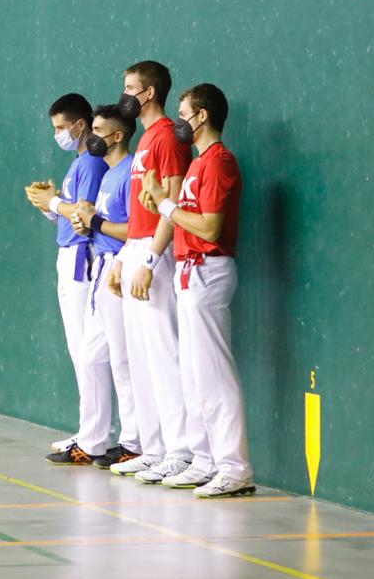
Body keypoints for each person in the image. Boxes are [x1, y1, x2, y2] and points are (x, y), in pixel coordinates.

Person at [139, 83, 254, 498]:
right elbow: (182, 216)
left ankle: (235, 468)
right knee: (192, 375)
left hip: (209, 271)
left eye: (185, 114)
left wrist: (166, 206)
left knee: (213, 374)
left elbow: (209, 227)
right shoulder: (198, 165)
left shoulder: (220, 162)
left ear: (202, 116)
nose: (180, 121)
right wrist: (158, 201)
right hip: (190, 274)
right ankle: (205, 460)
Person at [106, 60, 196, 485]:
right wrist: (125, 257)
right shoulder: (144, 141)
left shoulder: (168, 139)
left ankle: (182, 451)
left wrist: (150, 260)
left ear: (151, 92)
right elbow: (141, 212)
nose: (124, 94)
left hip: (159, 256)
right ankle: (155, 448)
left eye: (130, 87)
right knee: (141, 359)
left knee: (164, 355)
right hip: (137, 250)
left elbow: (173, 203)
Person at [25, 96, 110, 464]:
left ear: (81, 124)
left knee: (87, 353)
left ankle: (95, 437)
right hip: (68, 255)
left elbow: (83, 214)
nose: (58, 134)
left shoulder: (90, 162)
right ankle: (88, 430)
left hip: (82, 260)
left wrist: (55, 203)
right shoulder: (78, 162)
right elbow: (68, 211)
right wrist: (50, 203)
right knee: (80, 352)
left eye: (61, 127)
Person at [69, 106, 142, 469]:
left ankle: (134, 441)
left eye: (98, 129)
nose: (91, 135)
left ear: (116, 136)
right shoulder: (110, 174)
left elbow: (134, 230)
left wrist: (95, 222)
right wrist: (88, 225)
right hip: (101, 266)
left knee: (123, 360)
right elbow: (102, 224)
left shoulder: (130, 172)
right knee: (93, 356)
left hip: (119, 270)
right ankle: (92, 441)